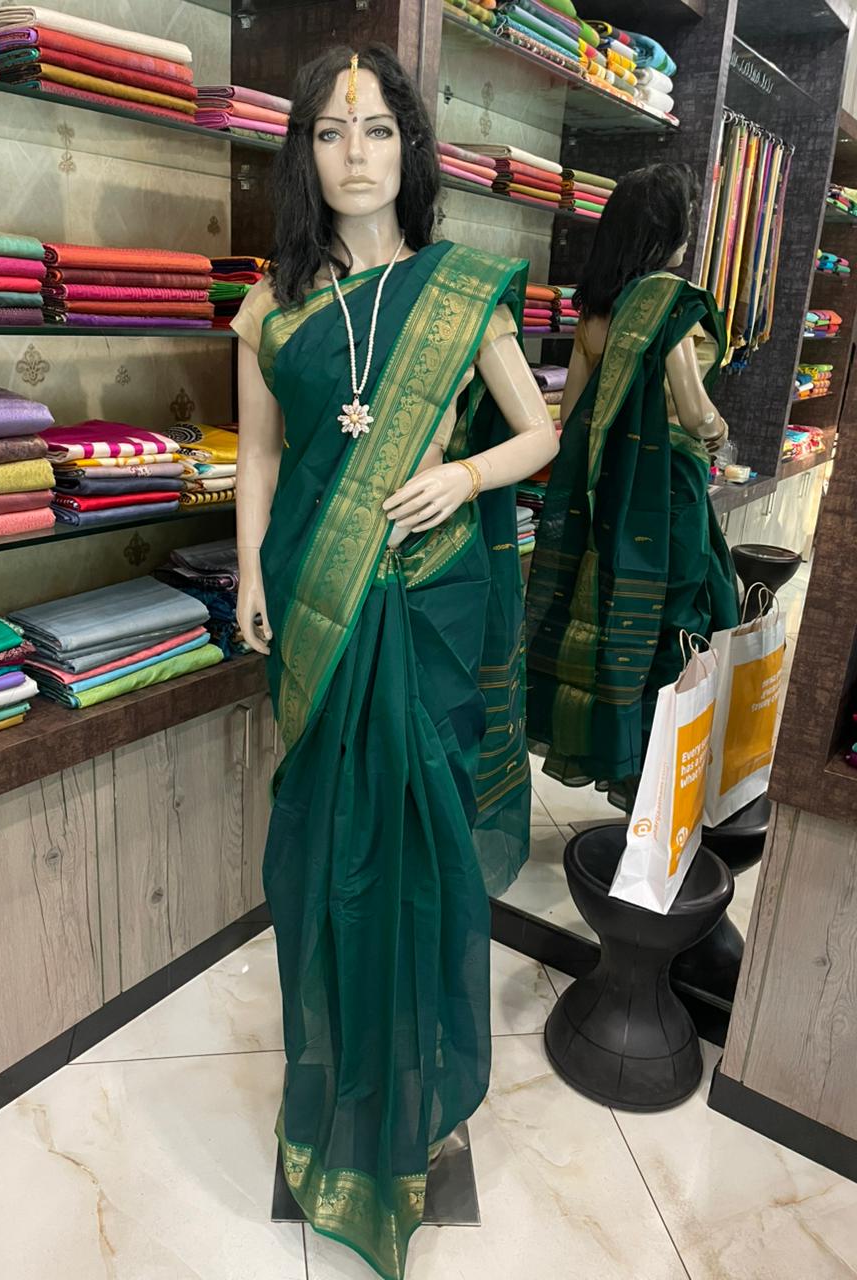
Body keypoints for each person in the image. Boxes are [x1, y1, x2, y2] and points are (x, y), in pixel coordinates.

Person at [230, 44, 558, 1280]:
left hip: (426, 611)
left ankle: (412, 1102)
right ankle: (333, 1098)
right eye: (330, 131)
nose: (355, 154)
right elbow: (260, 457)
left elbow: (540, 434)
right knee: (326, 856)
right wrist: (251, 572)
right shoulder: (270, 309)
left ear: (409, 150)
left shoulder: (459, 290)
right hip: (316, 600)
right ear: (304, 153)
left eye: (375, 130)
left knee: (419, 853)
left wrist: (462, 475)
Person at [526, 162, 739, 802]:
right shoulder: (669, 302)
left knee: (614, 619)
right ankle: (654, 784)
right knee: (676, 619)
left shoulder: (595, 311)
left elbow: (574, 414)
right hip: (665, 490)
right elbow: (695, 411)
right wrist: (718, 432)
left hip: (609, 490)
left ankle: (619, 759)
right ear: (668, 231)